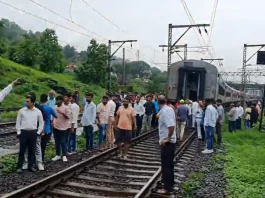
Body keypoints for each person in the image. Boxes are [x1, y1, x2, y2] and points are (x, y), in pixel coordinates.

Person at [16, 95, 44, 173]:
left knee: (32, 151)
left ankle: (30, 166)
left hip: (33, 132)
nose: (26, 103)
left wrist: (38, 132)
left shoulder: (38, 111)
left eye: (28, 101)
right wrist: (18, 132)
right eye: (26, 101)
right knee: (22, 151)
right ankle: (19, 167)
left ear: (33, 102)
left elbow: (41, 123)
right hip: (24, 132)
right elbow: (18, 122)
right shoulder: (22, 111)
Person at [156, 95, 176, 194]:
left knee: (166, 166)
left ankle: (167, 188)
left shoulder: (165, 111)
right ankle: (171, 183)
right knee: (170, 164)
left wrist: (167, 138)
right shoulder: (168, 109)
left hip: (167, 142)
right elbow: (158, 115)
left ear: (157, 102)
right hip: (170, 142)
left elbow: (171, 126)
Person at [39, 94, 57, 168]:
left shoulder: (37, 107)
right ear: (47, 100)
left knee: (36, 146)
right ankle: (41, 160)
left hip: (37, 129)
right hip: (46, 129)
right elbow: (56, 116)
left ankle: (34, 160)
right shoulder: (49, 108)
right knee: (43, 146)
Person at [52, 95, 70, 162]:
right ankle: (58, 155)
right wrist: (52, 123)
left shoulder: (66, 108)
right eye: (56, 100)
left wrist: (63, 113)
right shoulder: (54, 107)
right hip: (55, 126)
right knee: (57, 142)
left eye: (58, 100)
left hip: (63, 128)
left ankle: (64, 155)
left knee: (63, 142)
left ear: (62, 101)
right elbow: (53, 116)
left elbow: (68, 117)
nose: (57, 101)